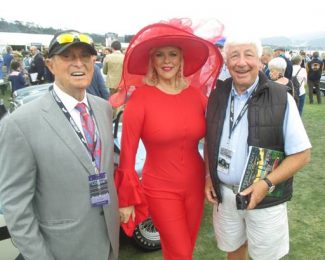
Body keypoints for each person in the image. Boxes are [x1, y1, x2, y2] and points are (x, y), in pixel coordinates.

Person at [0, 30, 119, 260]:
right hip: (62, 248)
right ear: (50, 64)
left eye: (85, 56)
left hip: (107, 240)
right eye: (67, 56)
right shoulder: (20, 123)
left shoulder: (103, 108)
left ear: (94, 61)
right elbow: (16, 208)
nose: (78, 63)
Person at [112, 19, 223, 260]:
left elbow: (215, 137)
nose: (167, 60)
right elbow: (128, 156)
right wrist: (126, 201)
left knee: (185, 249)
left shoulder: (196, 96)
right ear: (151, 60)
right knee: (180, 253)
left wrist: (209, 176)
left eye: (173, 54)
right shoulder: (140, 100)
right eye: (159, 55)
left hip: (195, 185)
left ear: (182, 59)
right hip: (160, 188)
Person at [205, 35, 311, 260]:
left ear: (260, 61)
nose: (241, 62)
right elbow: (210, 141)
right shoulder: (217, 96)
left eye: (248, 55)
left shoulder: (281, 98)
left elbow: (302, 154)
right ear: (227, 62)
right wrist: (208, 176)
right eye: (234, 55)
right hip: (225, 196)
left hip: (264, 198)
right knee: (234, 250)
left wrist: (266, 183)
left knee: (266, 256)